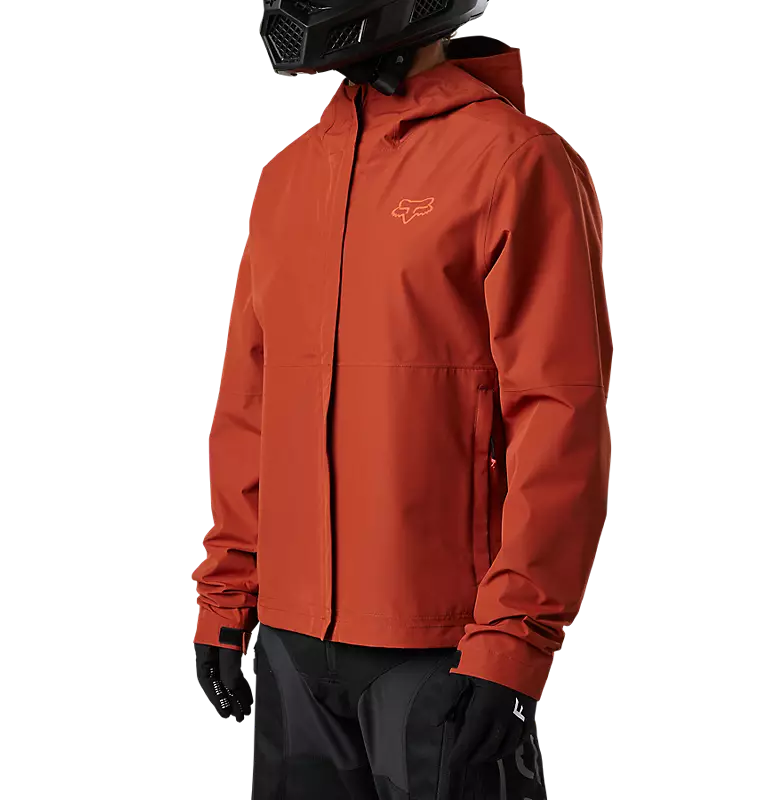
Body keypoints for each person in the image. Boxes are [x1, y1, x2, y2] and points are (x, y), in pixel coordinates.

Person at [192, 1, 613, 797]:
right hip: (290, 649)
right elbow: (250, 405)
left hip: (444, 652)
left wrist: (513, 642)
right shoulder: (287, 178)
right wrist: (228, 592)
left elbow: (559, 418)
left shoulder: (512, 162)